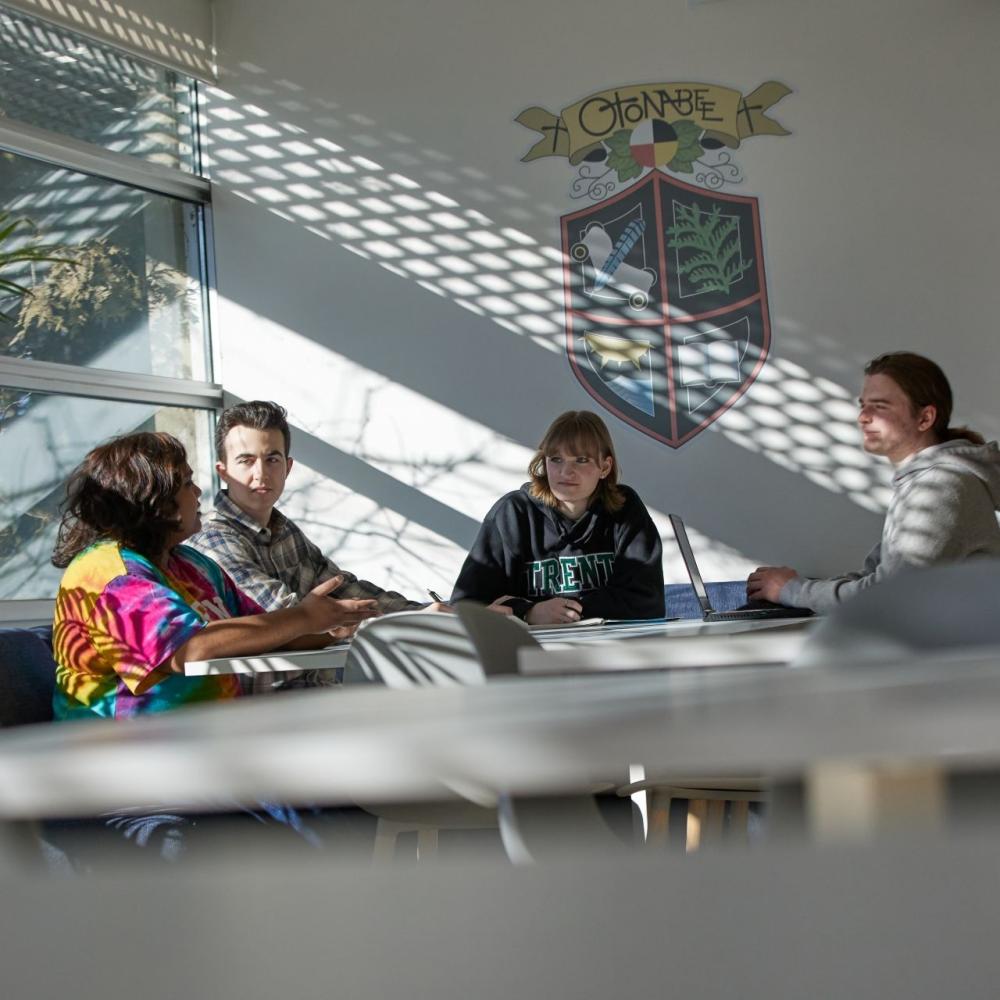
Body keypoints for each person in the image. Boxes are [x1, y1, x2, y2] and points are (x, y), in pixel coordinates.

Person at [51, 431, 378, 720]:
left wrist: (334, 625)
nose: (198, 494)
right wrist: (304, 617)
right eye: (186, 483)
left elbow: (267, 631)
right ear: (157, 502)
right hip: (127, 755)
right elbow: (188, 650)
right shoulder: (112, 575)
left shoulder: (190, 564)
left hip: (214, 740)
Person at [747, 352, 1000, 612]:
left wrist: (792, 591)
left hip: (954, 650)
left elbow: (888, 597)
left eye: (879, 406)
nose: (863, 417)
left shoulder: (940, 486)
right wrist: (792, 590)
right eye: (863, 405)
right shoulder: (923, 482)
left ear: (925, 418)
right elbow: (878, 579)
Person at [189, 401, 440, 621]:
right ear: (223, 471)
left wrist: (421, 614)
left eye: (272, 460)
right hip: (274, 677)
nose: (261, 474)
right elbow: (285, 616)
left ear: (287, 468)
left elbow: (343, 588)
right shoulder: (214, 539)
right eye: (246, 461)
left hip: (322, 673)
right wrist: (408, 622)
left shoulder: (284, 530)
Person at [451, 410, 665, 623]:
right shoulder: (513, 513)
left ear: (605, 467)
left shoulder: (625, 510)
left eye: (581, 460)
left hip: (609, 649)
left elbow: (648, 601)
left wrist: (564, 610)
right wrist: (529, 612)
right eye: (556, 459)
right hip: (529, 650)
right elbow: (467, 604)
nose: (565, 472)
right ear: (544, 462)